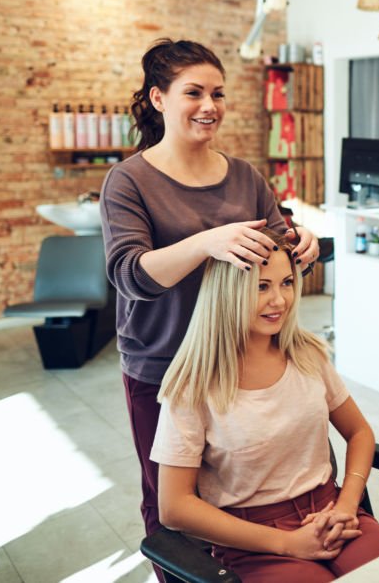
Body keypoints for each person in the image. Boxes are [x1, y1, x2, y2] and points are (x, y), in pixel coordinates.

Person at [99, 39, 320, 556]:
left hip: (243, 360)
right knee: (172, 503)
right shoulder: (129, 181)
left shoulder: (244, 176)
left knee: (240, 491)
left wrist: (302, 243)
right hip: (165, 366)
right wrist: (204, 243)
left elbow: (277, 250)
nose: (210, 106)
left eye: (218, 94)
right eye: (193, 92)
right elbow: (128, 274)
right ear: (158, 98)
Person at [152, 230, 379, 581]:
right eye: (262, 287)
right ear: (228, 293)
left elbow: (359, 432)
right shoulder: (193, 387)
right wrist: (287, 544)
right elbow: (174, 508)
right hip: (253, 540)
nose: (280, 300)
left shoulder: (307, 355)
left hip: (330, 511)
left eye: (286, 283)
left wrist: (347, 505)